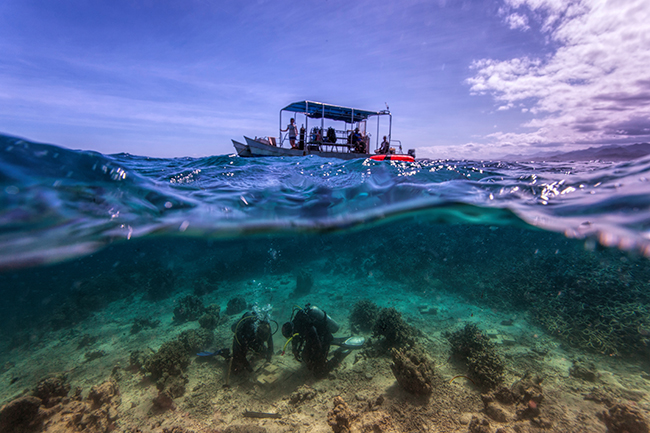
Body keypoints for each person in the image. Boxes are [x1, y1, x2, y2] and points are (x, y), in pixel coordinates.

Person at [282, 304, 364, 377]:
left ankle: (339, 355)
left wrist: (317, 360)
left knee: (319, 372)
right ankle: (334, 342)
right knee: (307, 358)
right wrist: (295, 349)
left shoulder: (307, 327)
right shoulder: (296, 324)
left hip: (324, 336)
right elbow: (296, 338)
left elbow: (317, 344)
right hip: (318, 336)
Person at [230, 307, 275, 375]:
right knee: (237, 366)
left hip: (253, 338)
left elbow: (270, 343)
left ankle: (257, 351)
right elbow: (241, 355)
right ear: (257, 332)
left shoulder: (266, 327)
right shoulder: (243, 332)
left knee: (262, 351)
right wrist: (251, 371)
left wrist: (268, 359)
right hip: (242, 337)